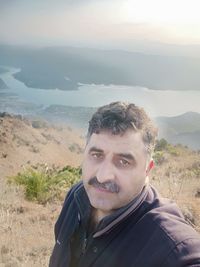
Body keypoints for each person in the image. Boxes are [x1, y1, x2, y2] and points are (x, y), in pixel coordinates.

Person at [49, 101, 200, 267]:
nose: (103, 176)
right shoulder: (76, 196)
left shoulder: (170, 247)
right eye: (97, 155)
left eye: (123, 161)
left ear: (147, 169)